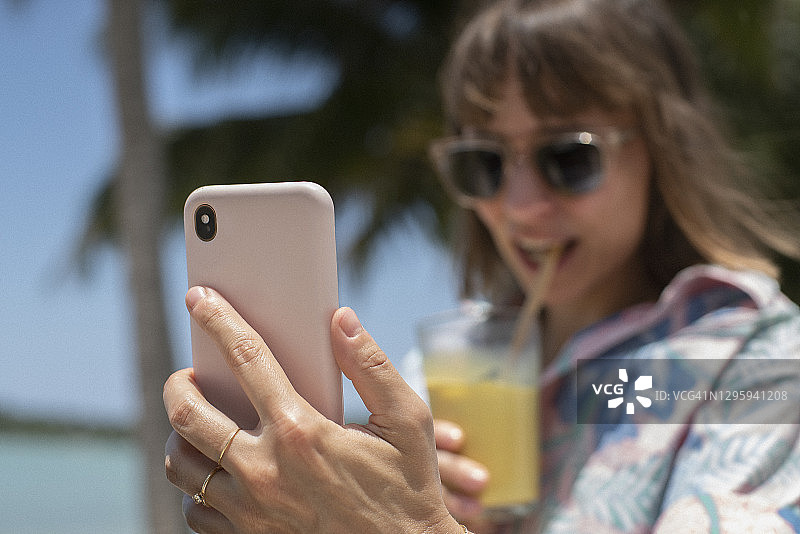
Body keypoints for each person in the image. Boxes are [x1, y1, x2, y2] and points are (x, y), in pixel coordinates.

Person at [163, 0, 800, 532]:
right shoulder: (445, 364)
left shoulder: (760, 367)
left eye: (568, 157)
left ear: (661, 150)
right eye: (486, 162)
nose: (519, 209)